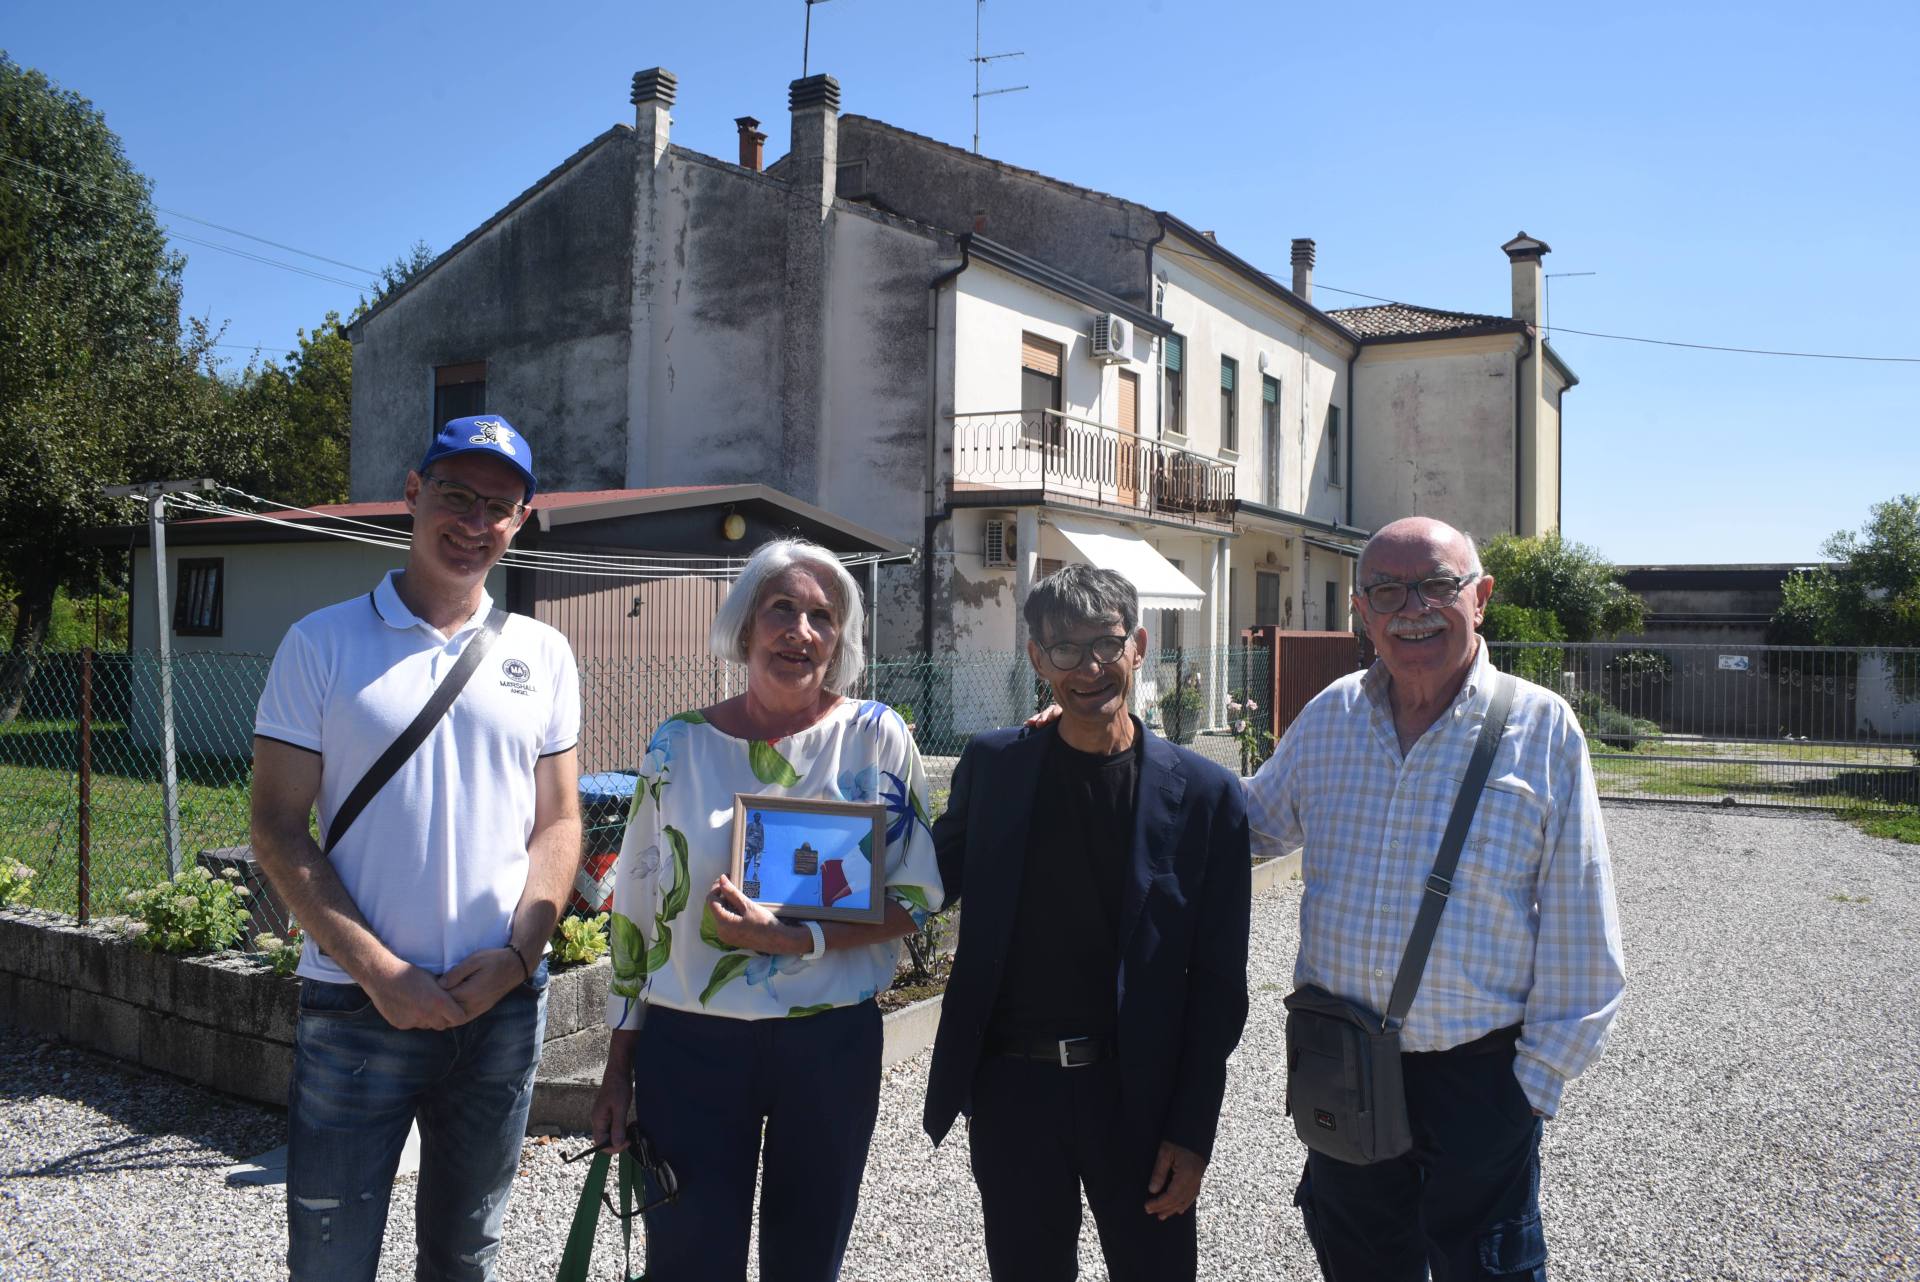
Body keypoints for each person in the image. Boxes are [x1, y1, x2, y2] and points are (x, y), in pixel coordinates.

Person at [1247, 516, 1625, 1281]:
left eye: (1436, 586)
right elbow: (1243, 828)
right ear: (1361, 612)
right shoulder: (1331, 719)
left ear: (1479, 599)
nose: (1410, 607)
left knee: (1488, 1269)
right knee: (1359, 1263)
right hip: (1343, 1064)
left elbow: (1583, 923)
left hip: (1479, 1077)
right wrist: (1112, 741)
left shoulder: (1541, 726)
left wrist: (1532, 1086)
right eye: (1385, 590)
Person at [250, 415, 583, 1281]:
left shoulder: (543, 653)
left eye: (499, 507)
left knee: (466, 1256)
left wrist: (518, 957)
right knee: (329, 1260)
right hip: (358, 1008)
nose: (475, 522)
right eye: (456, 496)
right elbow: (278, 825)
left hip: (500, 1006)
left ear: (522, 519)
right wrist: (378, 972)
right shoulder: (321, 643)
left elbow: (558, 823)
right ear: (411, 493)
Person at [589, 538, 944, 1282]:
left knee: (806, 1261)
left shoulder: (876, 736)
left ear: (841, 638)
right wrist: (620, 1063)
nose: (801, 631)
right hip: (690, 1045)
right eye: (783, 608)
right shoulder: (676, 746)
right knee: (687, 1262)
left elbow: (914, 898)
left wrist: (795, 938)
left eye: (822, 615)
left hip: (828, 1047)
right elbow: (636, 917)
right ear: (746, 624)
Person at [923, 564, 1251, 1282]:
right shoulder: (995, 767)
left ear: (1137, 645)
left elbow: (1221, 984)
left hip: (1139, 1096)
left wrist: (1192, 1130)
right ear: (1038, 660)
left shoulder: (1206, 797)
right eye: (1065, 649)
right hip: (1014, 1092)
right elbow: (920, 882)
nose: (1090, 667)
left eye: (1105, 643)